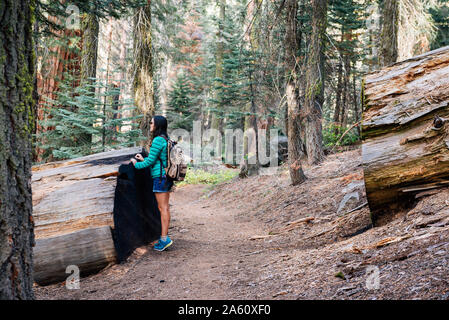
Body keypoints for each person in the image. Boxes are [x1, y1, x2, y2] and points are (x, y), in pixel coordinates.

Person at [130, 115, 174, 252]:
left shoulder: (157, 140)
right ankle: (164, 238)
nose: (150, 125)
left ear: (157, 126)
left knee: (163, 208)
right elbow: (156, 159)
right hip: (166, 176)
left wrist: (136, 164)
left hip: (160, 178)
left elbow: (150, 163)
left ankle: (164, 239)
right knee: (165, 207)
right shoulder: (166, 139)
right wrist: (144, 158)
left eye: (152, 123)